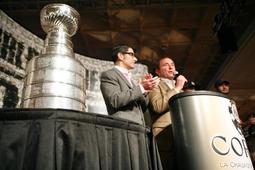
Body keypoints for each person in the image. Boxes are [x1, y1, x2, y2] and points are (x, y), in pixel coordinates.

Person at [100, 44, 159, 126]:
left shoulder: (133, 80)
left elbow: (143, 107)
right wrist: (141, 88)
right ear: (120, 56)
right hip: (122, 125)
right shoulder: (109, 75)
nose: (135, 59)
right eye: (131, 54)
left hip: (139, 126)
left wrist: (145, 91)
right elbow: (115, 100)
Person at [148, 57, 187, 170]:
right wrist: (177, 88)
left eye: (172, 64)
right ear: (158, 71)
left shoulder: (179, 87)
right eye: (166, 65)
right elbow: (158, 106)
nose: (171, 67)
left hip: (182, 135)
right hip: (164, 134)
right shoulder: (155, 83)